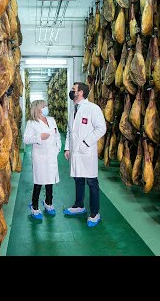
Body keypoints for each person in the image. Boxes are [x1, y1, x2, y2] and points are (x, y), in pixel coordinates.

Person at [63, 82, 106, 227]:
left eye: (73, 90)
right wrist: (67, 148)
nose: (71, 92)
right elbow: (70, 131)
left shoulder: (93, 109)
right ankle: (79, 205)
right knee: (78, 179)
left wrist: (86, 142)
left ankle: (95, 213)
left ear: (81, 92)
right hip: (75, 152)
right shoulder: (73, 110)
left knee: (92, 182)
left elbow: (101, 128)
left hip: (87, 152)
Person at [23, 99, 61, 220]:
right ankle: (34, 207)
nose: (46, 108)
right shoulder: (31, 123)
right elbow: (26, 139)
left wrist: (58, 148)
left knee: (50, 180)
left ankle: (48, 203)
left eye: (46, 106)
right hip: (40, 155)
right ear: (38, 109)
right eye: (44, 106)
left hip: (52, 154)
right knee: (39, 181)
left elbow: (57, 135)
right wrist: (39, 137)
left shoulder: (51, 120)